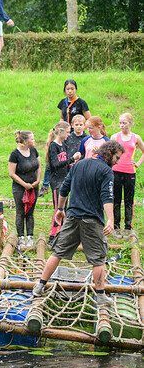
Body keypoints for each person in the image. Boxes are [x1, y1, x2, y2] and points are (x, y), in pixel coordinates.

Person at [32, 141, 124, 339]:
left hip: (72, 217)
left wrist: (60, 209)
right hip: (92, 220)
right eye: (116, 158)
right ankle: (100, 297)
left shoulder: (78, 165)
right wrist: (111, 219)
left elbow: (64, 189)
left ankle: (39, 285)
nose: (117, 162)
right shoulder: (106, 171)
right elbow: (107, 196)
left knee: (58, 252)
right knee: (98, 258)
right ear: (109, 154)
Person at [111, 113, 144, 236]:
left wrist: (137, 164)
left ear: (130, 123)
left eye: (124, 123)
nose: (121, 125)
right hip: (116, 171)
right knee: (116, 199)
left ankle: (128, 227)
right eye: (120, 123)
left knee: (129, 201)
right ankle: (116, 227)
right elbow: (109, 151)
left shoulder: (136, 138)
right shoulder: (115, 137)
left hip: (130, 172)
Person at [8, 130, 41, 248]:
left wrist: (38, 180)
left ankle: (30, 237)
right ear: (26, 141)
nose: (34, 140)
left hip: (33, 186)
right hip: (20, 188)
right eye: (32, 139)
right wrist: (24, 184)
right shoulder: (15, 154)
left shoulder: (33, 150)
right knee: (21, 212)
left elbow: (39, 166)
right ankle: (21, 237)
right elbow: (12, 173)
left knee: (30, 212)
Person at [46, 122, 72, 240]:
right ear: (61, 132)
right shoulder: (53, 146)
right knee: (58, 208)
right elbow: (55, 165)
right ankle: (53, 234)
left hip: (65, 180)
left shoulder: (64, 145)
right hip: (56, 182)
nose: (69, 134)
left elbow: (65, 164)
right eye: (67, 132)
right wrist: (71, 159)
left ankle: (61, 233)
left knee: (64, 208)